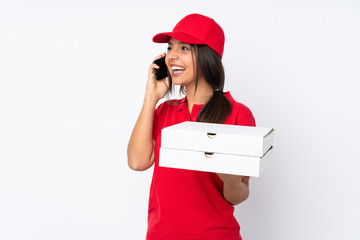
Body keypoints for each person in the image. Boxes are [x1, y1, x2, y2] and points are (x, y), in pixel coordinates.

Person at [127, 13, 256, 240]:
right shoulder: (164, 111)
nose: (172, 57)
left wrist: (230, 179)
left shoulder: (238, 114)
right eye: (169, 48)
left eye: (184, 48)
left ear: (208, 56)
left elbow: (238, 195)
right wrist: (151, 97)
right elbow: (137, 162)